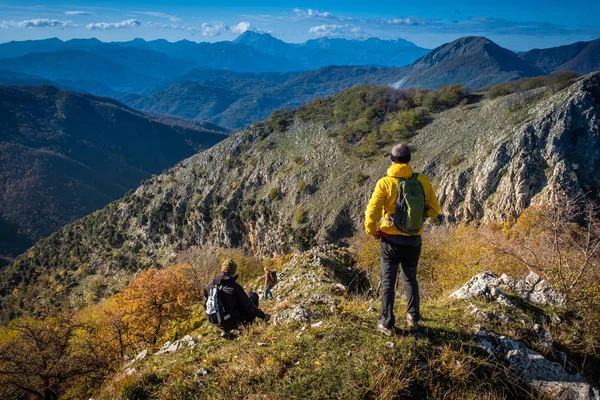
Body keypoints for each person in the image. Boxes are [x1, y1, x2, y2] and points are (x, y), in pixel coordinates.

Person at [364, 143, 440, 335]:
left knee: (388, 280)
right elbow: (434, 209)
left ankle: (387, 322)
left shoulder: (385, 183)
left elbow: (372, 212)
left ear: (392, 161)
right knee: (410, 279)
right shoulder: (421, 180)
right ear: (409, 160)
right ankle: (413, 318)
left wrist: (372, 231)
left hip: (390, 241)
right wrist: (417, 217)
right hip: (413, 241)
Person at [203, 259, 270, 333]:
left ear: (222, 269)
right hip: (234, 322)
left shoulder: (210, 285)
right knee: (253, 296)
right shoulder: (234, 287)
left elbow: (205, 303)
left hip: (218, 322)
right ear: (234, 271)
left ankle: (225, 330)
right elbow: (248, 305)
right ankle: (247, 325)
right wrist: (263, 315)